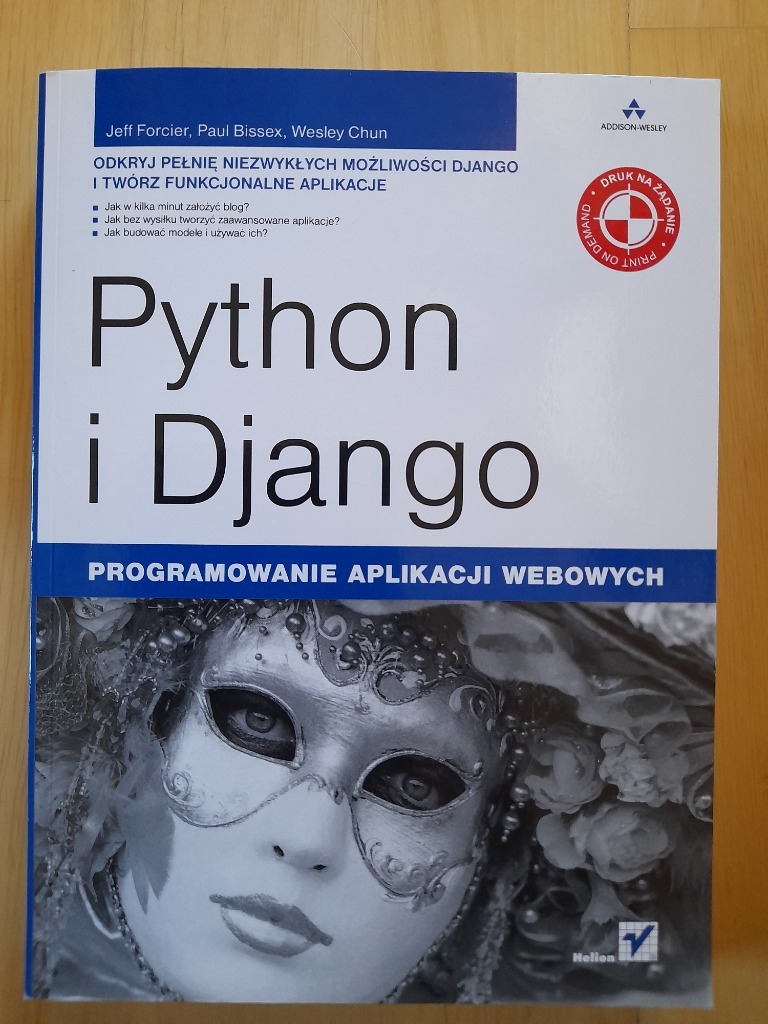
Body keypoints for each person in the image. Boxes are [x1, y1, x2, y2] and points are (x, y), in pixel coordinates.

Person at [32, 598, 715, 1003]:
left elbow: (652, 950)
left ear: (494, 846)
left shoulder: (628, 968)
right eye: (256, 722)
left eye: (414, 785)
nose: (308, 838)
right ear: (147, 718)